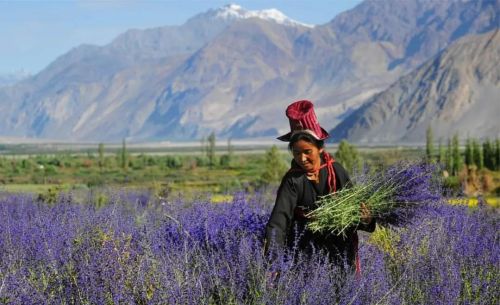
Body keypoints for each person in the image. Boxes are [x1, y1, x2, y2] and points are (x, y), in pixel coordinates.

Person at [264, 100, 375, 274]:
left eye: (307, 151)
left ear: (320, 149)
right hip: (305, 254)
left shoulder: (336, 171)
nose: (302, 158)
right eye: (296, 153)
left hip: (341, 253)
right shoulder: (292, 180)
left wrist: (366, 219)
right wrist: (274, 262)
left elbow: (354, 211)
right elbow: (279, 222)